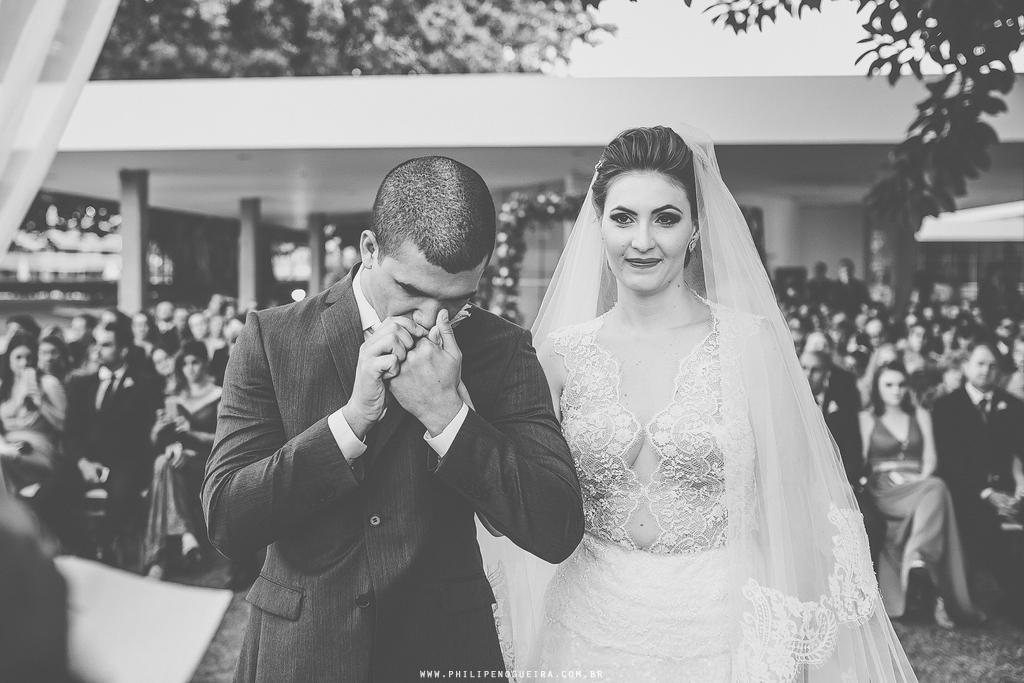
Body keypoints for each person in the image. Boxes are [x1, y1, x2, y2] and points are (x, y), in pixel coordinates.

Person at [489, 126, 916, 682]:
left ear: (695, 228)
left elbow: (793, 511)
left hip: (720, 636)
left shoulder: (750, 345)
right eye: (623, 218)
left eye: (665, 218)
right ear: (599, 225)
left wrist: (786, 651)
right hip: (583, 634)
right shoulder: (560, 355)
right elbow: (520, 505)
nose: (642, 240)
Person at [203, 156, 584, 682]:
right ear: (369, 250)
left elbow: (556, 525)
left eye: (457, 301)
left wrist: (448, 416)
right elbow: (227, 518)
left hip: (444, 654)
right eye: (411, 292)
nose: (431, 321)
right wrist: (351, 422)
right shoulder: (274, 338)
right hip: (301, 653)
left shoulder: (503, 350)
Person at [859, 362, 982, 627]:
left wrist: (919, 478)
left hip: (920, 482)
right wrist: (889, 477)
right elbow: (862, 461)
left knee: (935, 487)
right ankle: (920, 563)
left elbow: (930, 459)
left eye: (901, 384)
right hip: (885, 487)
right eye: (888, 385)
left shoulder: (920, 414)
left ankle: (919, 560)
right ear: (877, 388)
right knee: (938, 490)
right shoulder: (867, 418)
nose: (896, 391)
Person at [33, 320, 163, 558]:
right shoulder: (82, 384)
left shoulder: (145, 384)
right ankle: (83, 547)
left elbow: (142, 435)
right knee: (45, 499)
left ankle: (110, 549)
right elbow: (71, 432)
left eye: (105, 345)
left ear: (123, 350)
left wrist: (108, 468)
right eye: (96, 344)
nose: (96, 350)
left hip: (125, 464)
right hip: (83, 462)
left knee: (122, 500)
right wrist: (83, 462)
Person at [933, 340, 1024, 625]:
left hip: (1010, 491)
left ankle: (1013, 598)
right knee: (983, 527)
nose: (986, 370)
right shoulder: (947, 406)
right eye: (980, 364)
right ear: (965, 366)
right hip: (967, 493)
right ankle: (1013, 598)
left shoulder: (1014, 405)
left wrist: (1020, 485)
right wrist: (987, 493)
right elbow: (950, 462)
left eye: (993, 365)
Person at [144, 341, 221, 579]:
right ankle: (186, 538)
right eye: (185, 364)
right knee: (164, 463)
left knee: (161, 467)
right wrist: (160, 431)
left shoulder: (219, 393)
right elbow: (157, 441)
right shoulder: (176, 395)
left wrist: (191, 433)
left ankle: (158, 559)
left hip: (207, 461)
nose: (190, 369)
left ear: (204, 363)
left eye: (195, 362)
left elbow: (224, 438)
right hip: (178, 458)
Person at [801, 349, 885, 564]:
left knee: (873, 522)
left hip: (839, 483)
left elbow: (853, 455)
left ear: (827, 373)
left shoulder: (843, 406)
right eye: (804, 368)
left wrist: (838, 483)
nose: (808, 374)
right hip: (800, 486)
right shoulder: (786, 405)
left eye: (815, 370)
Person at [0, 335, 66, 493]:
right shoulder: (4, 389)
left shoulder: (48, 383)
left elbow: (65, 425)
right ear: (8, 360)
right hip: (7, 448)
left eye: (29, 357)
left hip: (36, 451)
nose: (24, 363)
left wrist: (41, 403)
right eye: (18, 357)